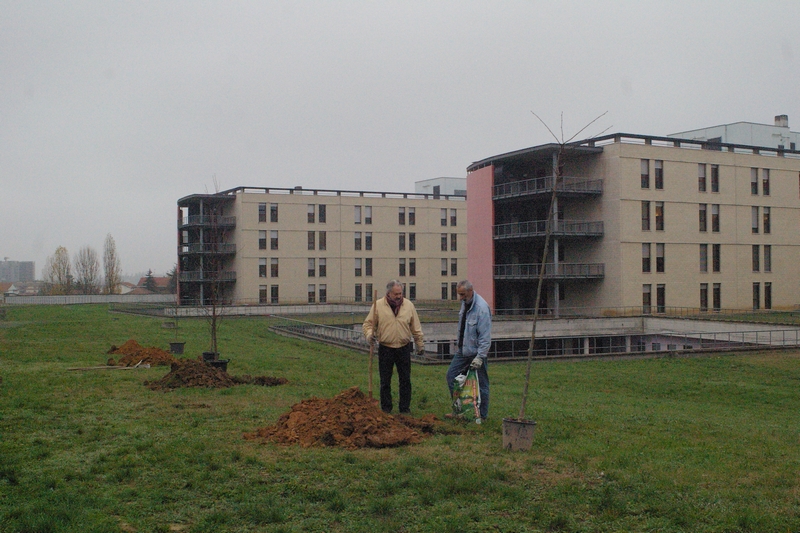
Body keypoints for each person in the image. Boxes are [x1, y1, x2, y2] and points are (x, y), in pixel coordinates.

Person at [363, 280, 425, 414]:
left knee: (405, 380)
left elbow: (416, 327)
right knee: (385, 381)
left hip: (403, 347)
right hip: (386, 348)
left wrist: (420, 344)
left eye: (400, 293)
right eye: (396, 294)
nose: (398, 296)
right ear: (389, 293)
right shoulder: (378, 305)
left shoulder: (408, 305)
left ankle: (404, 409)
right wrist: (369, 335)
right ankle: (386, 409)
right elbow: (368, 325)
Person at [446, 280, 491, 420]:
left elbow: (485, 336)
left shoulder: (481, 308)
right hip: (463, 351)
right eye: (459, 294)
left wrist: (480, 357)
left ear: (471, 291)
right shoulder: (465, 304)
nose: (461, 298)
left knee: (482, 384)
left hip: (477, 353)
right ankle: (458, 410)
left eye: (463, 294)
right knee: (451, 376)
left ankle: (482, 415)